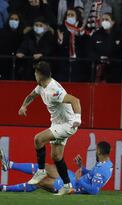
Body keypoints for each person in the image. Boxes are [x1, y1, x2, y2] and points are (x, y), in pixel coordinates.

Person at [17, 61, 82, 195]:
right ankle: (67, 185)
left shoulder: (54, 91)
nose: (34, 76)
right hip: (57, 123)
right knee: (56, 156)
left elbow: (75, 100)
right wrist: (24, 106)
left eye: (35, 73)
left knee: (38, 139)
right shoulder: (41, 86)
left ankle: (41, 171)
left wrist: (77, 119)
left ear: (39, 75)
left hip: (68, 124)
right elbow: (31, 96)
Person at [0, 141, 113, 195]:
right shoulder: (104, 164)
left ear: (100, 152)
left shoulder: (104, 170)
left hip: (73, 186)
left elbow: (94, 190)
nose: (95, 153)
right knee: (47, 168)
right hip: (73, 178)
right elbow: (91, 176)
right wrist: (81, 167)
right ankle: (9, 164)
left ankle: (3, 188)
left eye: (96, 151)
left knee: (40, 181)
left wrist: (79, 179)